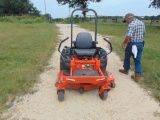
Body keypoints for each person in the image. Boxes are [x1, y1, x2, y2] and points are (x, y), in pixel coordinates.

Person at [119, 13, 146, 82]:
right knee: (138, 60)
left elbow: (129, 36)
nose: (126, 22)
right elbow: (144, 33)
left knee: (127, 56)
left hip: (132, 44)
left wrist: (124, 43)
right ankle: (137, 76)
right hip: (140, 44)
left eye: (126, 20)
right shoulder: (141, 23)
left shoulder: (131, 24)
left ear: (129, 18)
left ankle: (126, 70)